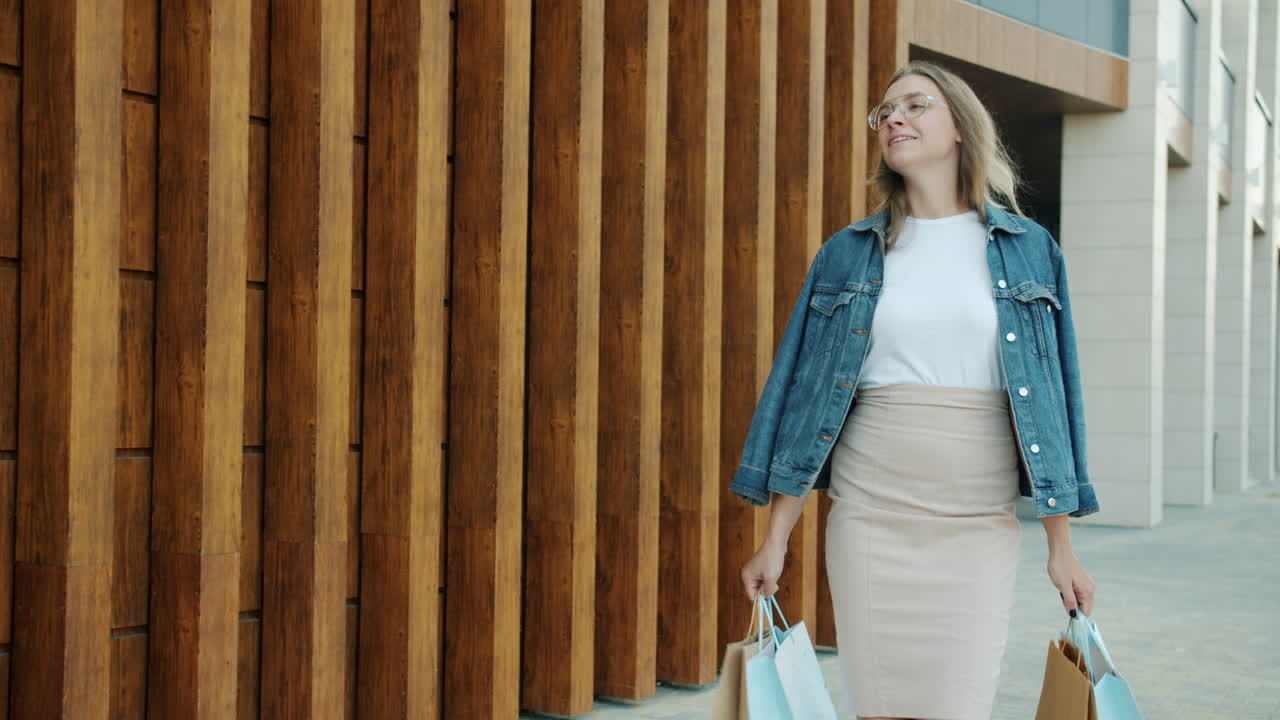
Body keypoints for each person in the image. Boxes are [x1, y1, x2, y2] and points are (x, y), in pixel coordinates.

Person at [730, 60, 1100, 720]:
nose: (893, 118)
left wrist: (1061, 547)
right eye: (884, 112)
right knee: (881, 709)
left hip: (977, 524)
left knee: (959, 707)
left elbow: (1055, 398)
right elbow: (799, 394)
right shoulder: (848, 254)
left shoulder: (1030, 249)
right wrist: (776, 537)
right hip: (872, 518)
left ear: (959, 127)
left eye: (914, 105)